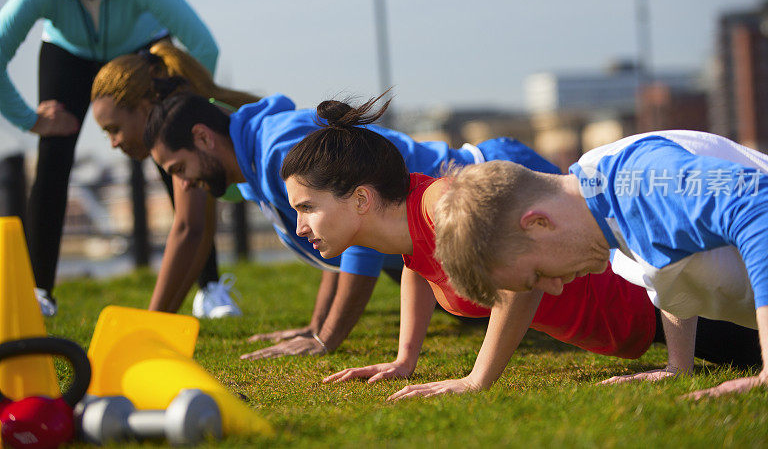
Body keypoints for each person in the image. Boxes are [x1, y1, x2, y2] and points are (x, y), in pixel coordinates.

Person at [277, 96, 766, 400]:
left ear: (361, 198)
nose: (300, 227)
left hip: (669, 304)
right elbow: (417, 269)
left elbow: (517, 283)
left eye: (307, 207)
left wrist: (477, 379)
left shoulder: (444, 205)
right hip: (647, 320)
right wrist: (406, 358)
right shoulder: (406, 226)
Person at [143, 91, 666, 362]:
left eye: (177, 168)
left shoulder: (283, 149)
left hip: (484, 183)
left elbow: (513, 286)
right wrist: (395, 354)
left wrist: (329, 338)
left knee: (649, 288)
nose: (181, 183)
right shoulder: (403, 223)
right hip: (638, 324)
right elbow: (395, 255)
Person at [434, 130, 768, 399]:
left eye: (537, 275)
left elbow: (762, 205)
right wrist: (678, 367)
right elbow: (677, 260)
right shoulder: (599, 198)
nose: (555, 287)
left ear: (538, 223)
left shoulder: (637, 180)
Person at [0, 0, 218, 316]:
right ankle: (40, 294)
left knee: (175, 154)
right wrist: (29, 119)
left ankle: (212, 289)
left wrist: (184, 106)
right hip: (68, 53)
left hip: (140, 50)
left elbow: (204, 45)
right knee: (52, 160)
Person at [91, 41, 259, 317]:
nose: (112, 143)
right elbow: (198, 233)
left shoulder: (179, 128)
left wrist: (151, 322)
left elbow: (188, 229)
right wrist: (163, 319)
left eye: (115, 129)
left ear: (145, 108)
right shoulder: (184, 112)